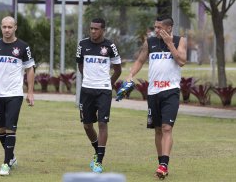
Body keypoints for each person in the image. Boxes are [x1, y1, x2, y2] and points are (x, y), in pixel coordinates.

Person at [126, 15, 187, 179]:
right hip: (153, 92)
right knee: (158, 129)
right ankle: (162, 164)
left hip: (171, 91)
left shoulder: (180, 40)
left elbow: (182, 61)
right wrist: (130, 74)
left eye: (159, 27)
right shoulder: (150, 42)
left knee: (167, 128)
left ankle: (164, 164)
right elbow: (140, 60)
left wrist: (169, 44)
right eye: (155, 27)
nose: (156, 30)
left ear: (169, 28)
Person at [0, 16, 35, 176]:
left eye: (10, 27)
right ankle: (11, 157)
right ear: (1, 27)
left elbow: (30, 69)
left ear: (15, 27)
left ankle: (5, 164)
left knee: (11, 128)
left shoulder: (23, 47)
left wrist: (30, 91)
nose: (7, 30)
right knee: (1, 129)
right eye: (4, 27)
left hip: (14, 95)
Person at [76, 18, 122, 173]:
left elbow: (118, 69)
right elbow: (80, 64)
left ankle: (99, 161)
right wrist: (88, 78)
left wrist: (108, 83)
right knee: (87, 125)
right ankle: (97, 150)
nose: (93, 31)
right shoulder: (82, 44)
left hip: (103, 91)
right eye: (91, 28)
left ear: (103, 30)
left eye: (96, 29)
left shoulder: (110, 46)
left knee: (103, 123)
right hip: (87, 90)